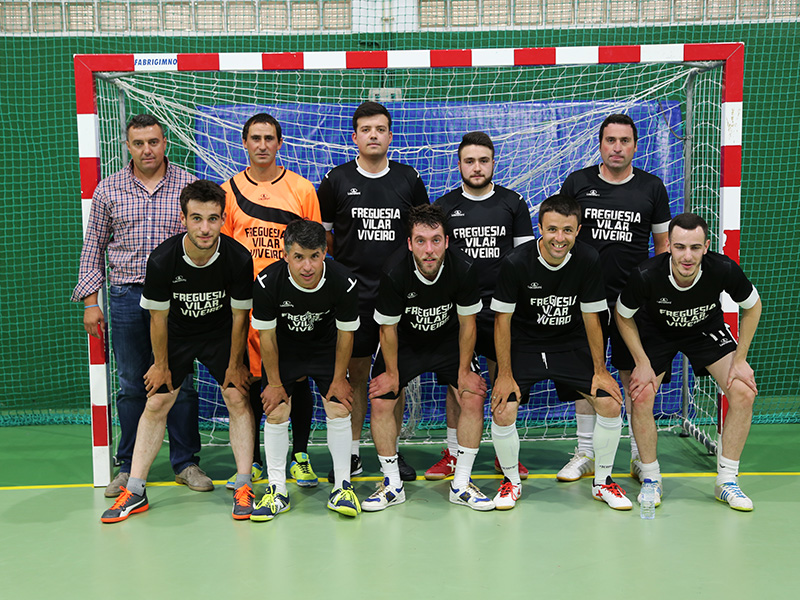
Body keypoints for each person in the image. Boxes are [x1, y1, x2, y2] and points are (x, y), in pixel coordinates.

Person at [101, 180, 256, 523]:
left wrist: (234, 365)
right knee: (156, 401)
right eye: (197, 218)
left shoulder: (238, 258)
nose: (205, 228)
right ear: (183, 218)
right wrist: (160, 365)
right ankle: (136, 490)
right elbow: (157, 320)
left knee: (237, 396)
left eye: (213, 219)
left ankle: (244, 485)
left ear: (223, 219)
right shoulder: (162, 259)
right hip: (178, 335)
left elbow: (239, 316)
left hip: (218, 336)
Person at [73, 114, 211, 498]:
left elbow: (205, 239)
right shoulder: (108, 190)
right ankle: (129, 466)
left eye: (153, 141)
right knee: (132, 384)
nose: (147, 150)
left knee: (180, 384)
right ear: (127, 146)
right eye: (138, 143)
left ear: (165, 141)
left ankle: (186, 462)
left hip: (181, 300)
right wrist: (90, 302)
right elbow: (93, 248)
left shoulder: (188, 185)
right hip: (128, 297)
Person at [491, 194, 630, 510]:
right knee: (503, 408)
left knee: (609, 403)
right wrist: (505, 374)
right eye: (552, 229)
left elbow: (593, 317)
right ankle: (510, 482)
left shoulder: (588, 259)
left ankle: (603, 482)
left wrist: (600, 369)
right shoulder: (516, 262)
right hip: (525, 346)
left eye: (567, 230)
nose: (559, 238)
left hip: (570, 344)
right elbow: (502, 322)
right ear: (540, 227)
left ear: (578, 230)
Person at [615, 213, 761, 510]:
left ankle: (727, 481)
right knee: (641, 395)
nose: (687, 255)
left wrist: (741, 358)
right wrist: (642, 362)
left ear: (706, 246)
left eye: (695, 247)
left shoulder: (722, 268)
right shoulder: (646, 274)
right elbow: (622, 315)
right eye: (680, 247)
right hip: (656, 332)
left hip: (703, 329)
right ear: (668, 245)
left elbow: (753, 306)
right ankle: (652, 478)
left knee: (744, 390)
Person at [556, 113, 672, 484]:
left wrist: (655, 294)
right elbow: (562, 235)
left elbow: (663, 246)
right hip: (584, 298)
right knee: (587, 372)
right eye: (610, 140)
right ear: (600, 144)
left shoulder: (652, 188)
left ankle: (640, 454)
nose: (617, 147)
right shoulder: (578, 183)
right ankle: (586, 451)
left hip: (632, 303)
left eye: (624, 141)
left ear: (635, 146)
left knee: (634, 374)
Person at [318, 101, 429, 482]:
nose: (373, 135)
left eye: (380, 129)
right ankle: (350, 454)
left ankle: (390, 453)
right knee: (355, 376)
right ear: (355, 137)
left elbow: (422, 235)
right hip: (354, 297)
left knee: (392, 378)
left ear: (390, 135)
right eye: (366, 130)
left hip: (399, 297)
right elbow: (327, 238)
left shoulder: (408, 179)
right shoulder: (336, 180)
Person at [364, 204, 490, 512]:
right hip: (404, 343)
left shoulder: (464, 268)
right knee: (383, 398)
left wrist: (463, 371)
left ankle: (460, 484)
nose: (429, 249)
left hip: (448, 342)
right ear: (409, 244)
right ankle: (392, 484)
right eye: (420, 240)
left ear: (447, 241)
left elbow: (468, 324)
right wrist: (392, 374)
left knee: (472, 394)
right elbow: (387, 329)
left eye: (436, 240)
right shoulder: (394, 271)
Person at [221, 113, 322, 489]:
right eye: (255, 138)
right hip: (246, 304)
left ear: (280, 143)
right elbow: (227, 253)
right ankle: (256, 462)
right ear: (244, 143)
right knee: (249, 379)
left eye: (269, 138)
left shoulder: (301, 189)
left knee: (296, 377)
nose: (262, 145)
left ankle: (300, 456)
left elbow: (316, 249)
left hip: (294, 302)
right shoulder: (228, 191)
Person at [428, 131, 535, 481]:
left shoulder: (513, 203)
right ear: (458, 164)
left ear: (493, 163)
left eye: (483, 160)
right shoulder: (443, 207)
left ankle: (504, 456)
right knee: (458, 381)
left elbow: (526, 258)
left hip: (503, 309)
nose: (477, 167)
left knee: (503, 377)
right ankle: (453, 453)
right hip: (459, 310)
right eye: (469, 161)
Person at [249, 220, 361, 520]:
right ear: (285, 255)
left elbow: (346, 334)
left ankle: (342, 487)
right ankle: (276, 490)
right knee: (275, 411)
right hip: (286, 350)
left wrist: (339, 379)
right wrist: (273, 384)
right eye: (298, 256)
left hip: (325, 348)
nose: (307, 265)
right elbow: (267, 337)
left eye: (314, 255)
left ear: (325, 253)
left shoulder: (344, 281)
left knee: (339, 407)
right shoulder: (267, 282)